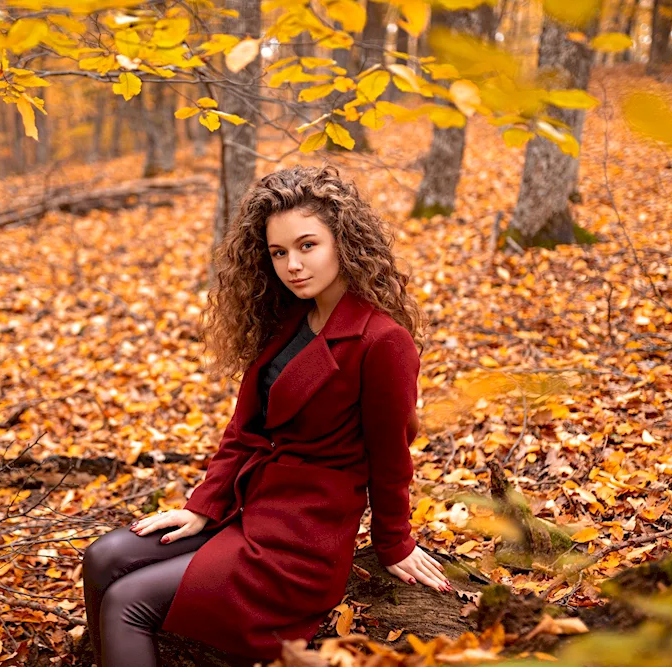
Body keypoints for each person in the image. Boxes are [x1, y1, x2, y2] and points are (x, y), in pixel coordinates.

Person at [81, 164, 452, 667]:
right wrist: (202, 506)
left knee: (130, 603)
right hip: (247, 504)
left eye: (307, 246)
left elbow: (390, 459)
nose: (293, 265)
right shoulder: (288, 319)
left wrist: (395, 544)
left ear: (344, 242)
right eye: (279, 252)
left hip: (302, 537)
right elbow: (243, 431)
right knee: (103, 557)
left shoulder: (382, 341)